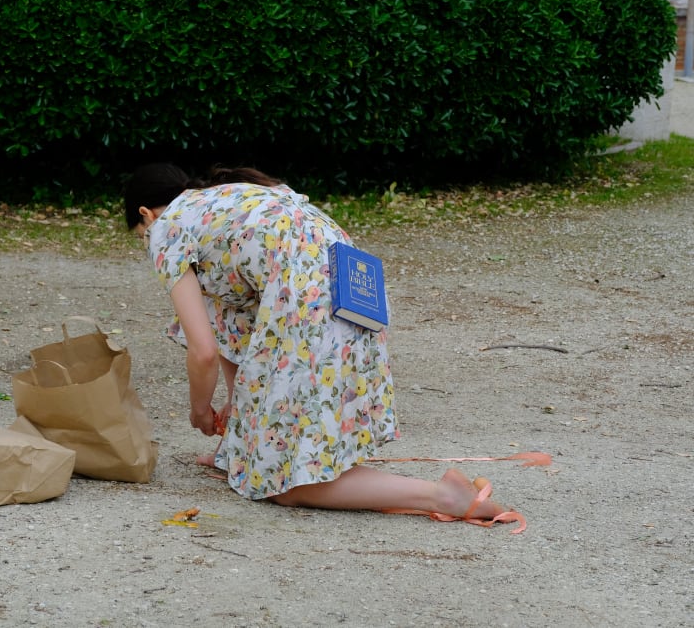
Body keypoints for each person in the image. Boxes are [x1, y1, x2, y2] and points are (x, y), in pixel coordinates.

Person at [125, 163, 516, 525]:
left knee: (289, 488)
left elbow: (205, 351)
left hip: (307, 300)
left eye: (141, 236)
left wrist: (199, 411)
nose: (147, 243)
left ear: (146, 214)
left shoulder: (167, 226)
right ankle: (244, 451)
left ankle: (440, 495)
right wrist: (240, 426)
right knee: (222, 304)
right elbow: (236, 323)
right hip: (354, 286)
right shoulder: (230, 199)